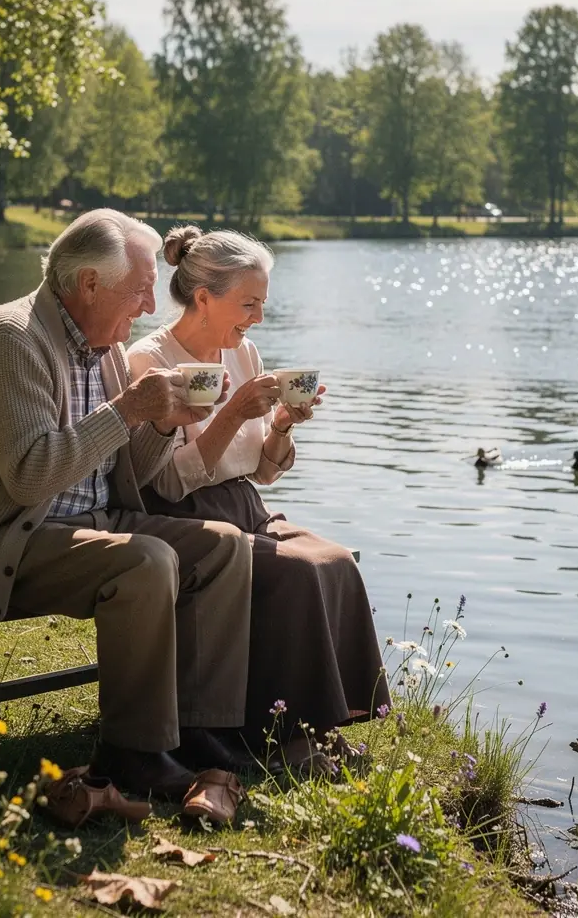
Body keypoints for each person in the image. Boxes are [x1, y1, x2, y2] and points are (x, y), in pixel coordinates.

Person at [0, 209, 255, 806]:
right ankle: (136, 754)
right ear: (90, 284)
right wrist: (128, 410)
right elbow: (30, 477)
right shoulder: (10, 338)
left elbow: (129, 471)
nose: (150, 306)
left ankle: (203, 731)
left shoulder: (106, 347)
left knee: (223, 545)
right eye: (140, 289)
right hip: (2, 541)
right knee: (146, 561)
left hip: (86, 527)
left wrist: (159, 422)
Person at [128, 225, 390, 758]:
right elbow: (166, 480)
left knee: (336, 560)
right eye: (248, 304)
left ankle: (321, 724)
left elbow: (263, 472)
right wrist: (231, 412)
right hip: (185, 517)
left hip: (245, 503)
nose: (258, 319)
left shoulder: (244, 354)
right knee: (296, 572)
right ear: (204, 297)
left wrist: (283, 423)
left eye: (262, 304)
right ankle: (280, 738)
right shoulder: (149, 361)